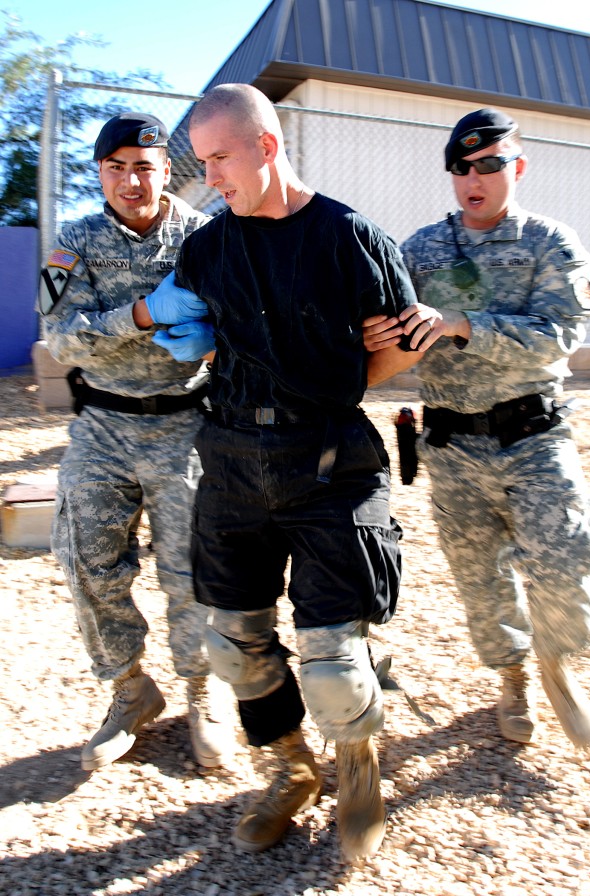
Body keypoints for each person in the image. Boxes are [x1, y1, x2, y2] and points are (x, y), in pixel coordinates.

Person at [147, 83, 419, 861]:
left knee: (331, 656)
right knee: (235, 643)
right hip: (231, 460)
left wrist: (388, 349)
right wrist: (172, 331)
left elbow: (386, 357)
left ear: (267, 146)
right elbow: (197, 337)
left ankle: (358, 767)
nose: (210, 179)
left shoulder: (350, 238)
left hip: (329, 460)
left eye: (221, 158)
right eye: (201, 164)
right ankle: (292, 771)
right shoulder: (207, 246)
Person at [364, 107, 590, 752]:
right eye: (463, 168)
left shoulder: (550, 244)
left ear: (517, 166)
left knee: (564, 560)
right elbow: (384, 330)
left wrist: (463, 323)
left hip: (534, 436)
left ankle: (557, 664)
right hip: (452, 446)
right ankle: (513, 680)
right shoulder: (417, 251)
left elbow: (558, 339)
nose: (476, 177)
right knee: (479, 576)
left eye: (492, 164)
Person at [38, 111, 234, 773]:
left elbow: (247, 321)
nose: (131, 179)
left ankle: (203, 693)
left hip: (185, 422)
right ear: (100, 172)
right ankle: (130, 690)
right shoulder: (75, 241)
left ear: (165, 171)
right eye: (116, 166)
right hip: (103, 426)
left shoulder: (206, 236)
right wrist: (142, 314)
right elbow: (62, 337)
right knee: (87, 560)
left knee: (193, 570)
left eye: (144, 166)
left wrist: (217, 339)